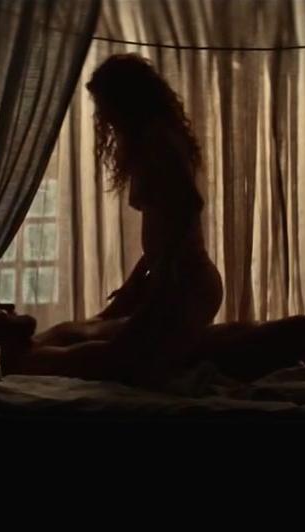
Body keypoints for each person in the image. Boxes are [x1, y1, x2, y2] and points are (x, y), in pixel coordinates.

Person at [83, 54, 224, 389]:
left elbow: (188, 205)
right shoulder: (152, 140)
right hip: (175, 280)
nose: (104, 116)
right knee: (128, 361)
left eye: (106, 105)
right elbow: (164, 229)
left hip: (187, 283)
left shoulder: (159, 141)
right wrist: (138, 280)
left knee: (128, 366)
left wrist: (162, 280)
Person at [0, 294, 305, 386]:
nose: (9, 307)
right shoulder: (35, 364)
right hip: (210, 355)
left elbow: (106, 324)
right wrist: (172, 304)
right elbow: (122, 354)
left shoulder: (45, 339)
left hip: (213, 339)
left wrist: (138, 288)